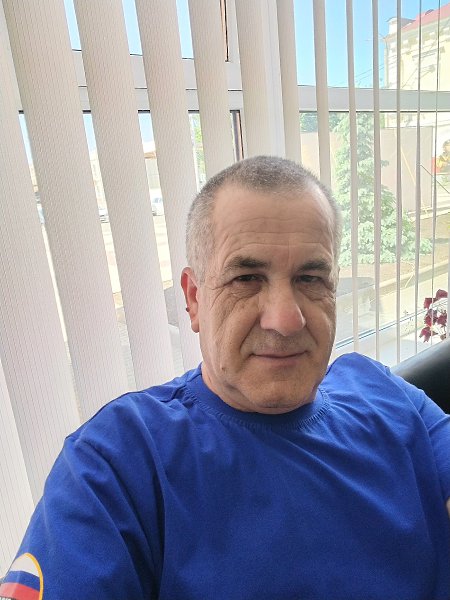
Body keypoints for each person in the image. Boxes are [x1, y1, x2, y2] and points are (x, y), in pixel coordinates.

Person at [2, 156, 449, 600]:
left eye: (311, 278)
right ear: (194, 299)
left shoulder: (383, 393)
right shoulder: (116, 462)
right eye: (247, 278)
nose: (286, 320)